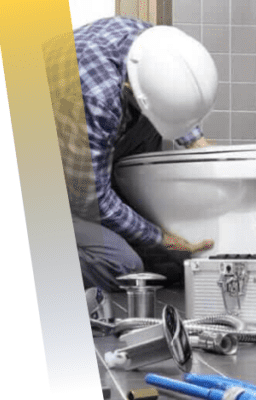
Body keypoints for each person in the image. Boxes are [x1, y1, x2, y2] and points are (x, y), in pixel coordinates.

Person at [46, 17, 217, 292]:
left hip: (82, 150)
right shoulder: (97, 99)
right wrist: (160, 237)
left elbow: (168, 91)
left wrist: (196, 142)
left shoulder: (152, 45)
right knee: (125, 266)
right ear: (128, 89)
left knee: (172, 267)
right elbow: (90, 198)